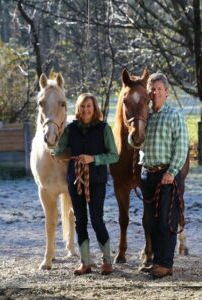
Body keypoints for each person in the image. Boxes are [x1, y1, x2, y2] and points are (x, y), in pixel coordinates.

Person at [53, 93, 119, 275]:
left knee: (96, 220)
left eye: (89, 106)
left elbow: (114, 155)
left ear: (94, 108)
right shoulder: (71, 128)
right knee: (80, 220)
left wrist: (93, 158)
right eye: (82, 106)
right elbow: (59, 150)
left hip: (96, 180)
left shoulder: (104, 128)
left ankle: (107, 261)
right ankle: (85, 262)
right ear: (78, 109)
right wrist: (55, 148)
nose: (85, 109)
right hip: (75, 180)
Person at [132, 72, 189, 278]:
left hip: (167, 175)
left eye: (159, 89)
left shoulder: (174, 115)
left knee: (166, 221)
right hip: (148, 174)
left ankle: (166, 264)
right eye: (152, 89)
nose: (155, 92)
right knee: (152, 222)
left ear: (166, 92)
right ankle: (156, 261)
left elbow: (181, 147)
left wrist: (172, 172)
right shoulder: (147, 115)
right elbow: (137, 143)